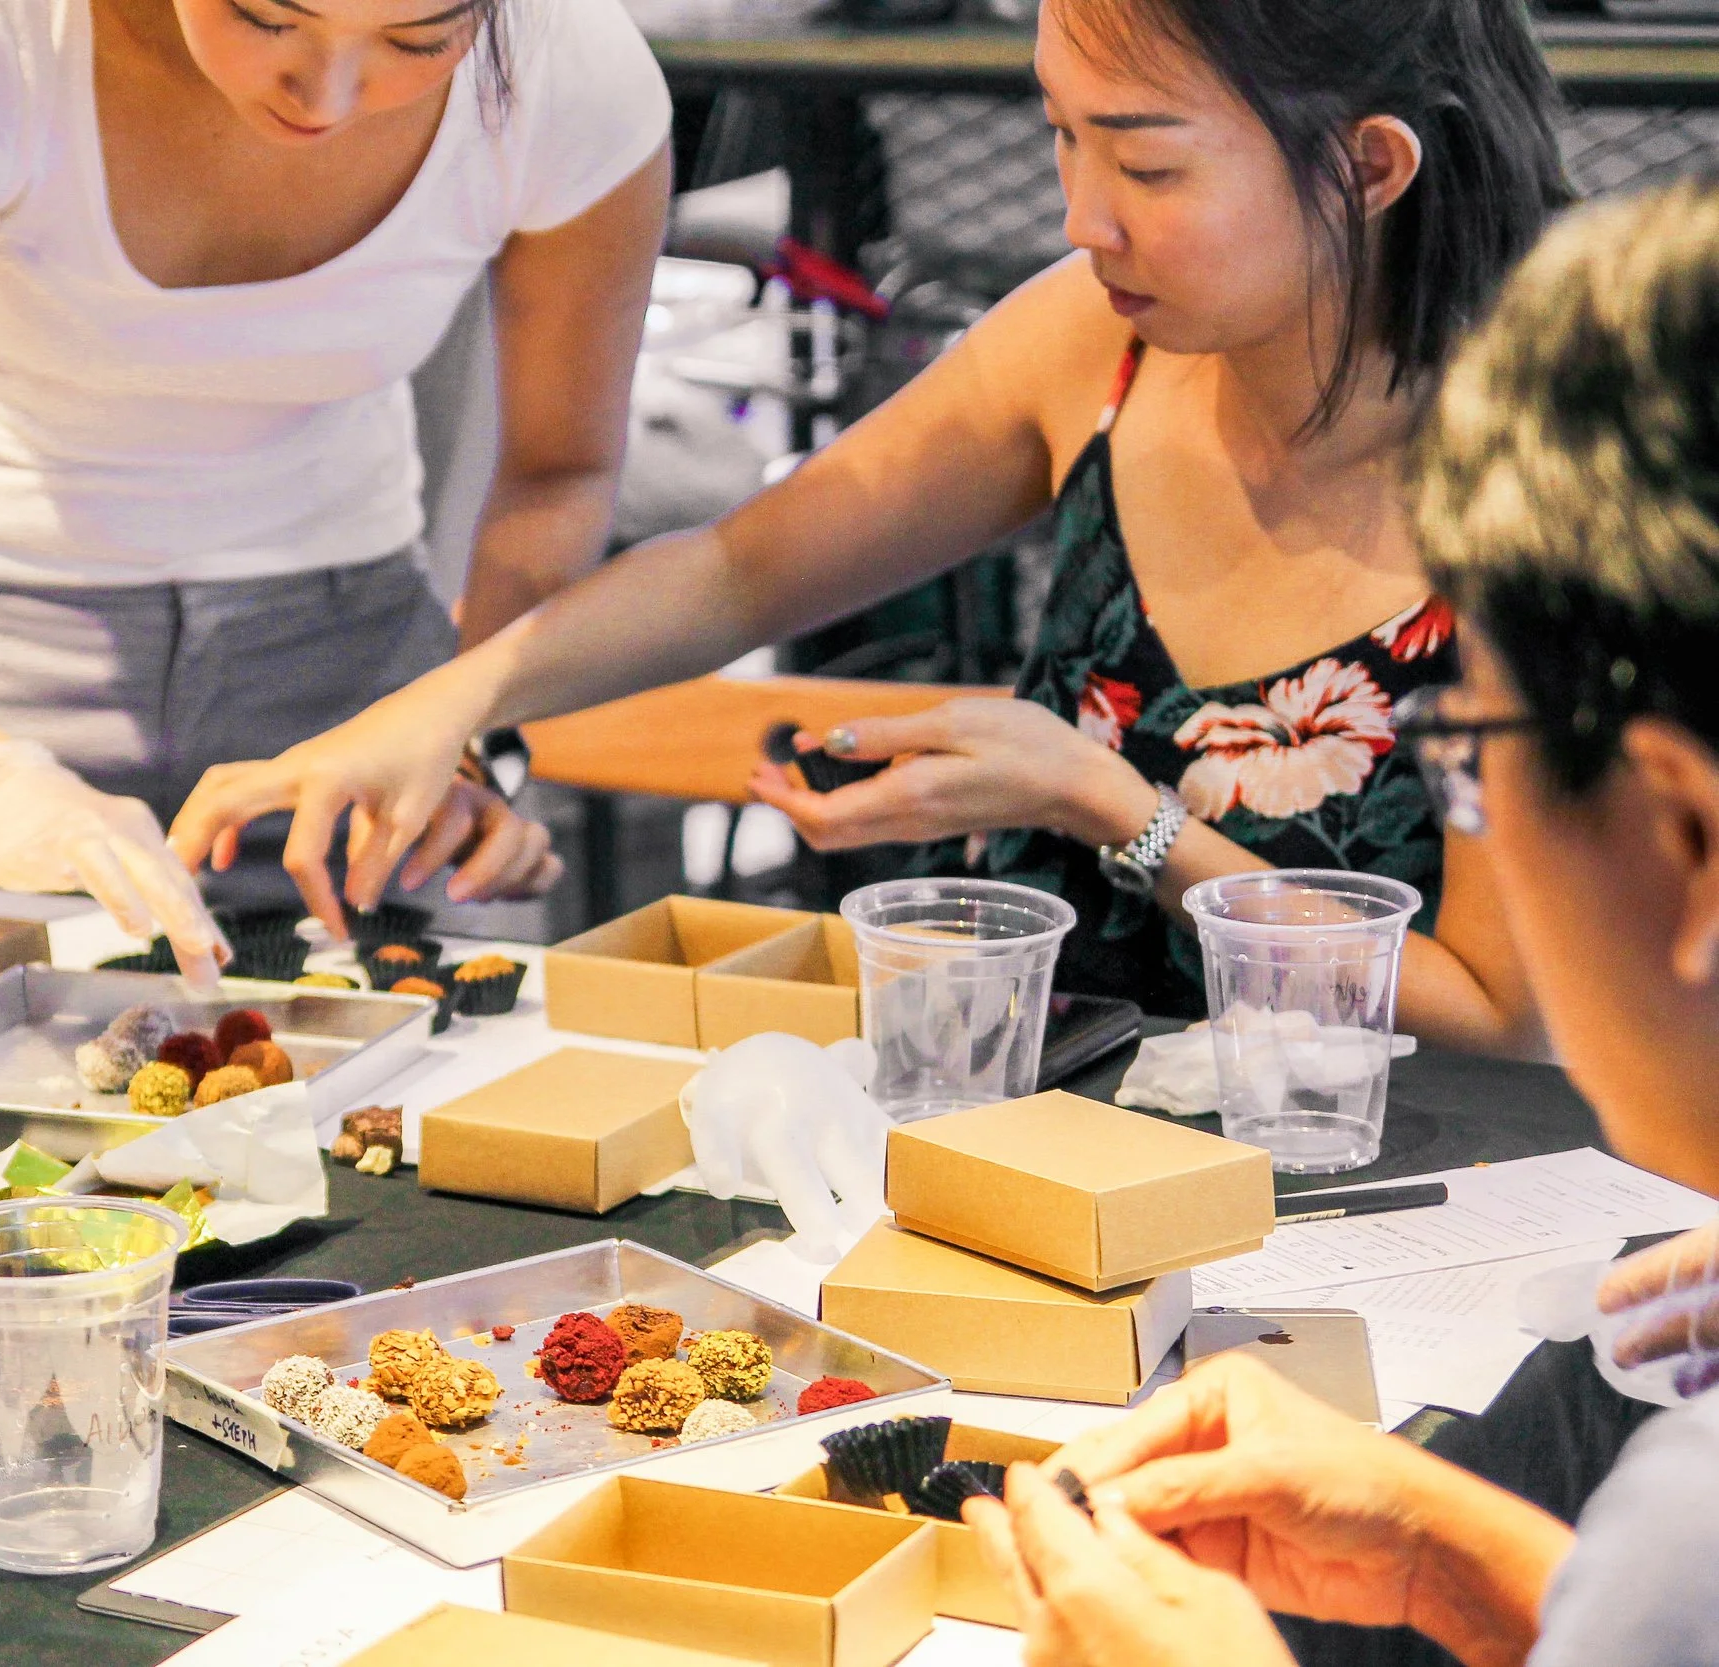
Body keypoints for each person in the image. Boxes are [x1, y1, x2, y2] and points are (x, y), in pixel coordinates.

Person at [171, 0, 1570, 1049]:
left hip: (1404, 1196)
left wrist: (1106, 802)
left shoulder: (1553, 470)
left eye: (1147, 169)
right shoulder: (1098, 343)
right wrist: (446, 702)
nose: (1083, 219)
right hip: (1042, 1129)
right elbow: (737, 570)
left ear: (1373, 167)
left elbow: (1508, 1007)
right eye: (1060, 137)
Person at [958, 173, 1719, 1667]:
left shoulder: (1688, 1527)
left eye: (1473, 752)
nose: (1087, 212)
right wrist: (1473, 1559)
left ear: (1684, 829)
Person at [0, 0, 672, 970]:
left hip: (351, 680)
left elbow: (559, 473)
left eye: (419, 41)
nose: (326, 95)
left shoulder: (562, 68)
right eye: (264, 16)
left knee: (413, 1090)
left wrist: (466, 738)